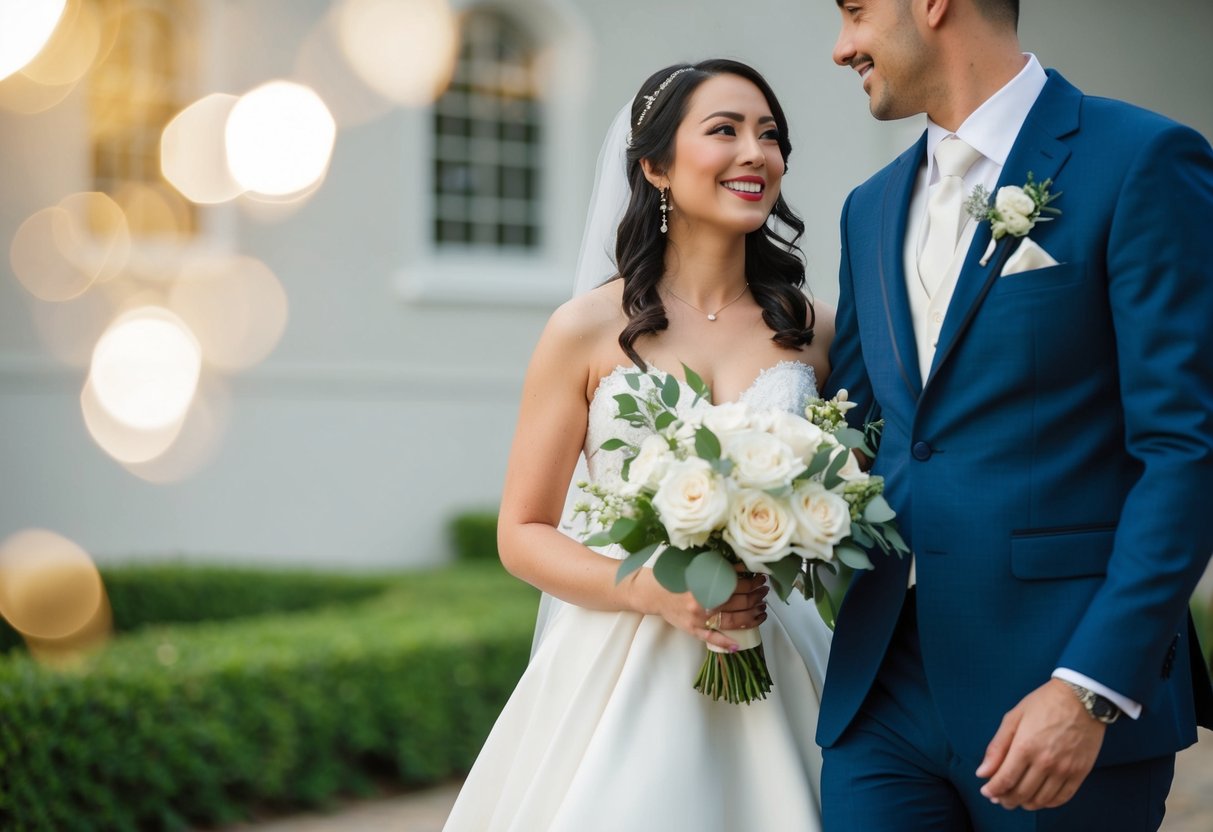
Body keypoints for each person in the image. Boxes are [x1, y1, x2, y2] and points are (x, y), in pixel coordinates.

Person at [817, 1, 1213, 829]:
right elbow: (863, 435)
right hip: (878, 693)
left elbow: (1184, 449)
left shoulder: (1140, 159)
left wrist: (1090, 689)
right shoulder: (868, 206)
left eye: (854, 11)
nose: (840, 46)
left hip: (1053, 690)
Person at [441, 59, 834, 831]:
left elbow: (856, 482)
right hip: (620, 661)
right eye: (723, 131)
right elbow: (521, 533)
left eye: (770, 135)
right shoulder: (584, 328)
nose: (755, 153)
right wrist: (654, 588)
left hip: (782, 649)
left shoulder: (815, 328)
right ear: (654, 165)